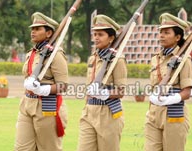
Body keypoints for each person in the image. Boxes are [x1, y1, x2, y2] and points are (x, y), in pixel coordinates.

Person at [15, 12, 68, 151]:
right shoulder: (31, 53)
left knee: (48, 148)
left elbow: (63, 86)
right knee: (22, 148)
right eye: (32, 28)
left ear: (49, 33)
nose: (33, 31)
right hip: (27, 104)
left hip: (46, 107)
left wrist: (43, 89)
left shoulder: (56, 55)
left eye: (38, 29)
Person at [77, 15, 127, 151]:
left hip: (108, 113)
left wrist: (103, 93)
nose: (96, 38)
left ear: (111, 38)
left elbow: (121, 91)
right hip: (89, 111)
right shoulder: (93, 58)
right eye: (95, 34)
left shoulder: (118, 60)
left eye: (100, 34)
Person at [145, 13, 192, 151]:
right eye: (161, 32)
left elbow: (187, 91)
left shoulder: (184, 60)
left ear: (178, 37)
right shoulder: (156, 59)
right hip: (154, 113)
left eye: (166, 32)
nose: (162, 35)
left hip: (174, 113)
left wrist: (171, 98)